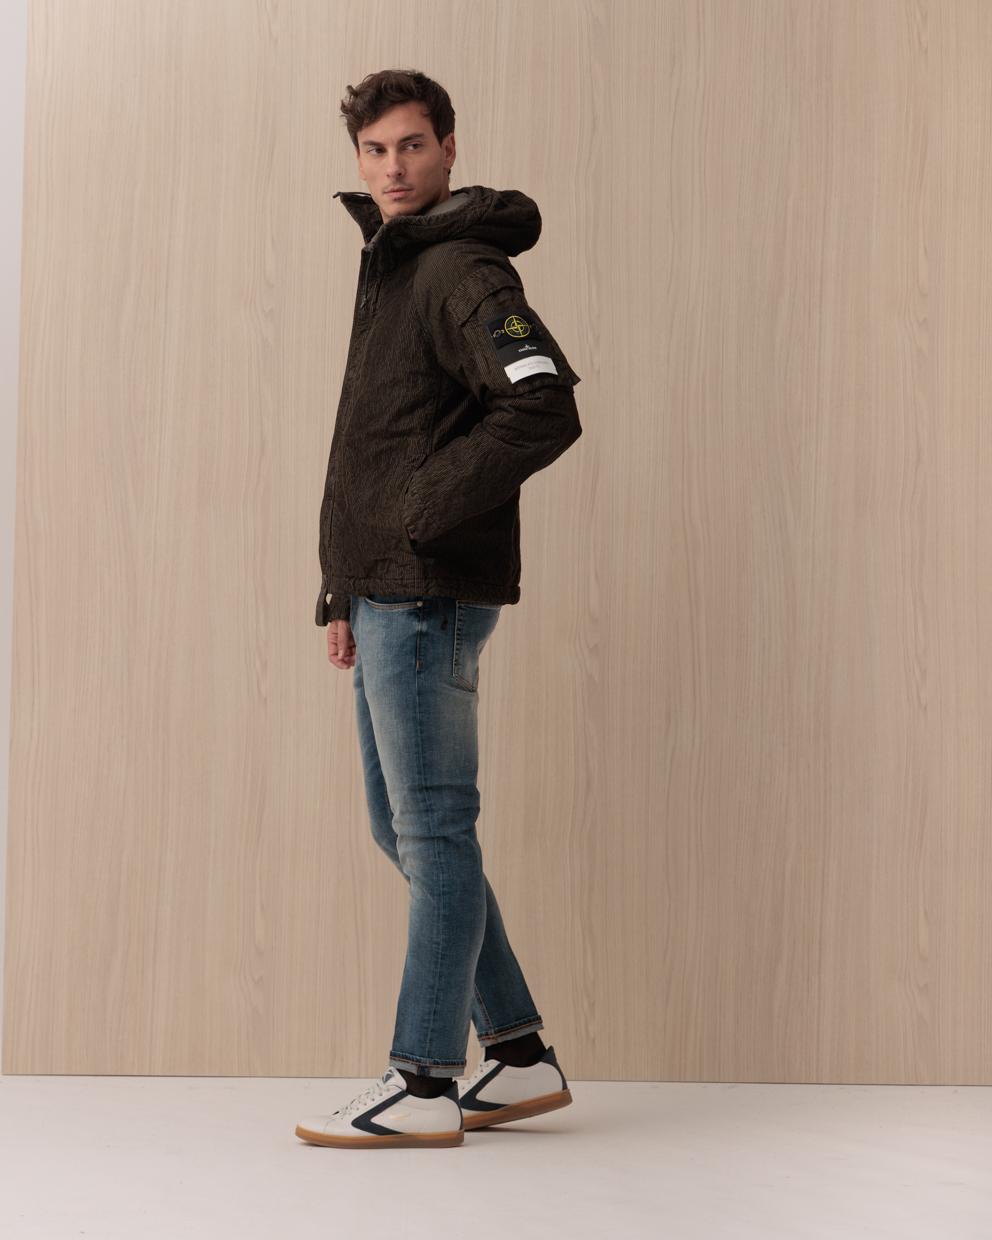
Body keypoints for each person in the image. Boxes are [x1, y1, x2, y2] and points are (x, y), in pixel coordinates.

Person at [296, 69, 580, 1149]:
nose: (393, 167)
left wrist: (415, 518)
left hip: (425, 593)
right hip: (383, 589)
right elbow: (375, 436)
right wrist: (342, 581)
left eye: (412, 145)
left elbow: (540, 404)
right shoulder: (394, 259)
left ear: (449, 148)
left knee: (433, 828)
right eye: (375, 150)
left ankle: (423, 1078)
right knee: (405, 827)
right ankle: (517, 1054)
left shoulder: (461, 265)